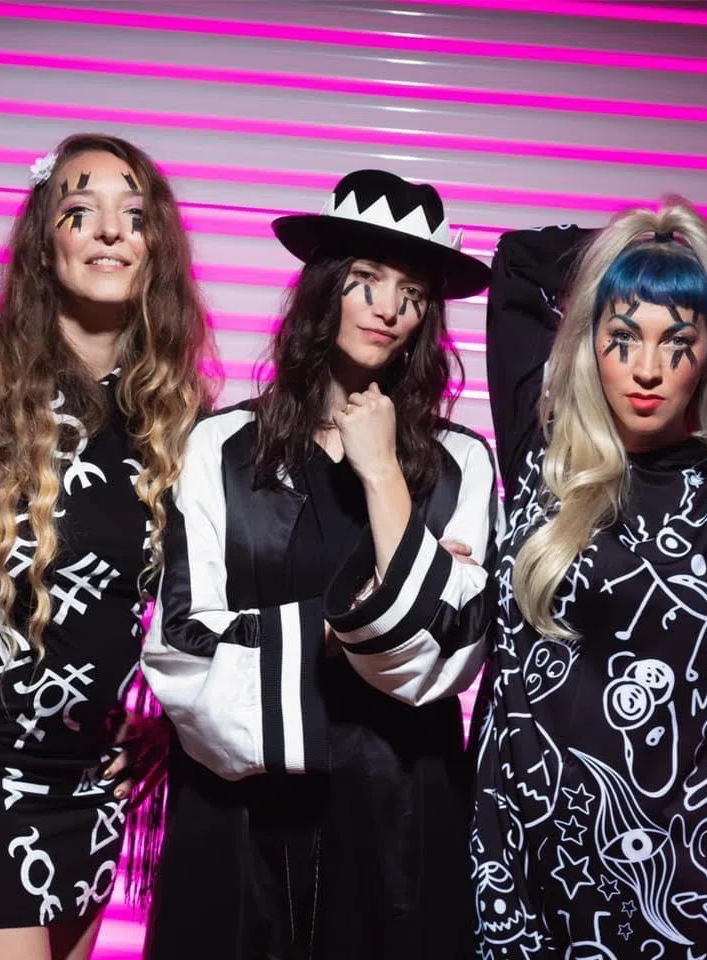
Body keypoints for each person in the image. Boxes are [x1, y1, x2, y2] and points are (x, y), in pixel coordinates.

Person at [470, 204, 707, 958]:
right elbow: (516, 263)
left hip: (696, 916)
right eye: (622, 337)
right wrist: (666, 250)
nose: (646, 369)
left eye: (677, 340)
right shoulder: (545, 463)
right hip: (526, 904)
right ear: (590, 344)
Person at [142, 168, 500, 959]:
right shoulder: (220, 446)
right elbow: (180, 644)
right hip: (239, 816)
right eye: (365, 280)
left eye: (411, 293)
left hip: (398, 810)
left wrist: (381, 473)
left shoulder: (461, 463)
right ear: (323, 288)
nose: (388, 307)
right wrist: (357, 616)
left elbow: (445, 652)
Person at [0, 133, 213, 959]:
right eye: (80, 210)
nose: (108, 230)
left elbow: (194, 596)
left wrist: (164, 719)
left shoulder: (177, 416)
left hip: (91, 780)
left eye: (132, 215)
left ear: (154, 248)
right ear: (44, 245)